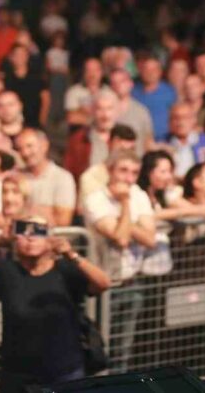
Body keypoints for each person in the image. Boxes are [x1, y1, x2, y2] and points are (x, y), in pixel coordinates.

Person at [0, 217, 111, 393]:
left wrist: (71, 254)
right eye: (23, 231)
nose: (30, 237)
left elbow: (103, 283)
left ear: (50, 237)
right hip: (18, 374)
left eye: (39, 231)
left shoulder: (65, 270)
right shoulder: (7, 271)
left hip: (64, 371)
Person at [83, 149, 156, 373]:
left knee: (123, 350)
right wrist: (125, 204)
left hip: (132, 281)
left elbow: (150, 238)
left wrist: (123, 222)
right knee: (98, 348)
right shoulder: (95, 199)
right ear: (110, 171)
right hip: (103, 285)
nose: (129, 178)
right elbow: (121, 239)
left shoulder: (139, 195)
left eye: (134, 173)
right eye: (123, 171)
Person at [15, 128, 77, 227]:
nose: (25, 153)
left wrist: (23, 210)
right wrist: (46, 211)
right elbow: (4, 217)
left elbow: (63, 221)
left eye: (29, 146)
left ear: (44, 145)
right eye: (20, 149)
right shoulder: (15, 177)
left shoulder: (62, 178)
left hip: (52, 235)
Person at [130, 56, 177, 142]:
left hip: (165, 140)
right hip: (139, 140)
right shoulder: (133, 92)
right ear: (141, 72)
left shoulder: (169, 92)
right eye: (146, 70)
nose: (150, 73)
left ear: (160, 71)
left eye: (153, 70)